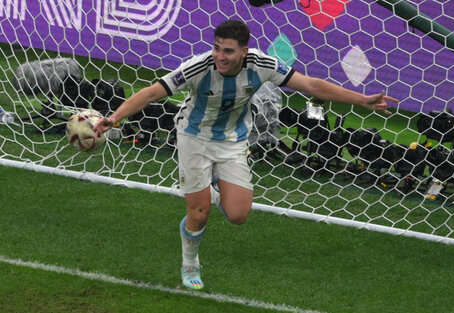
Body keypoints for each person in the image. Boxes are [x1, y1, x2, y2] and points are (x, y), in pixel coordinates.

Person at [93, 19, 399, 290]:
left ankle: (210, 192)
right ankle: (190, 263)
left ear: (244, 51)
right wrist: (114, 117)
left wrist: (362, 100)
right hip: (194, 138)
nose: (220, 56)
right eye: (216, 48)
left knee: (238, 215)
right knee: (199, 214)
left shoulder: (262, 64)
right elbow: (151, 93)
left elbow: (311, 85)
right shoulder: (200, 66)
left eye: (227, 51)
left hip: (233, 141)